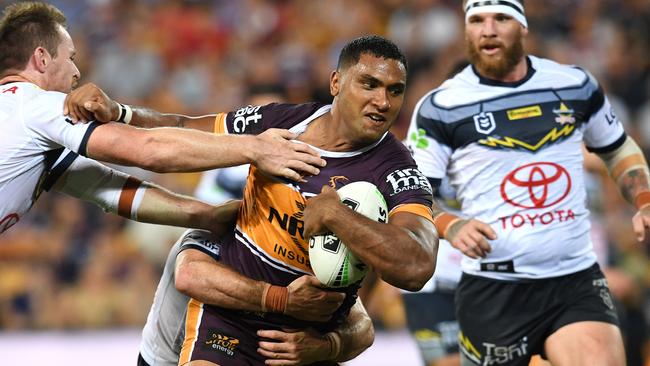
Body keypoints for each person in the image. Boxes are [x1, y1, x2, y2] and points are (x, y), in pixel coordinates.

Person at [70, 35, 439, 365]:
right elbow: (184, 127)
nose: (382, 101)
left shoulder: (397, 170)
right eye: (370, 84)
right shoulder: (282, 123)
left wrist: (335, 215)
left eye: (395, 90)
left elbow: (417, 265)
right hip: (231, 315)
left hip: (302, 339)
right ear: (336, 82)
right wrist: (120, 112)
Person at [406, 0, 650, 365]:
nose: (488, 28)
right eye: (477, 20)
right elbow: (412, 194)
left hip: (573, 277)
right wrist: (449, 224)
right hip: (492, 288)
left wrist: (643, 198)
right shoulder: (440, 107)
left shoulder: (575, 85)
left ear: (522, 27)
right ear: (467, 30)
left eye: (501, 17)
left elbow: (617, 148)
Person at [0, 2, 325, 235]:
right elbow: (150, 150)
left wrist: (205, 216)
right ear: (41, 58)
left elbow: (105, 187)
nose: (77, 71)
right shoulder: (37, 106)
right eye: (70, 58)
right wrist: (255, 148)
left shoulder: (20, 116)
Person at [138, 226, 372, 366]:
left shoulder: (302, 248)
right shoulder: (214, 225)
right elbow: (189, 276)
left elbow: (363, 325)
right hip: (166, 359)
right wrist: (283, 299)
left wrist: (328, 346)